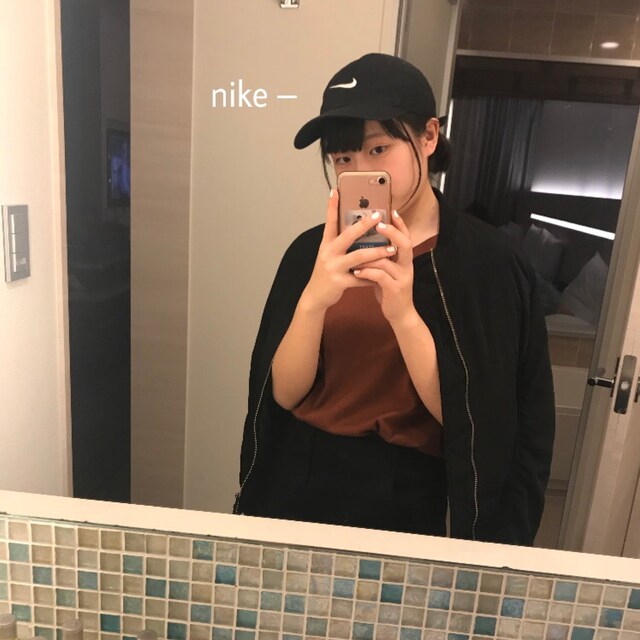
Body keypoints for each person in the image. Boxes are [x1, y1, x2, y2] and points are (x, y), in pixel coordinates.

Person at [235, 53, 555, 546]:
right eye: (343, 158)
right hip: (296, 477)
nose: (360, 170)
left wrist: (403, 314)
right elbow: (283, 396)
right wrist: (314, 301)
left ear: (429, 137)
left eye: (379, 149)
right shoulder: (310, 254)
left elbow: (476, 422)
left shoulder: (487, 265)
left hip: (405, 492)